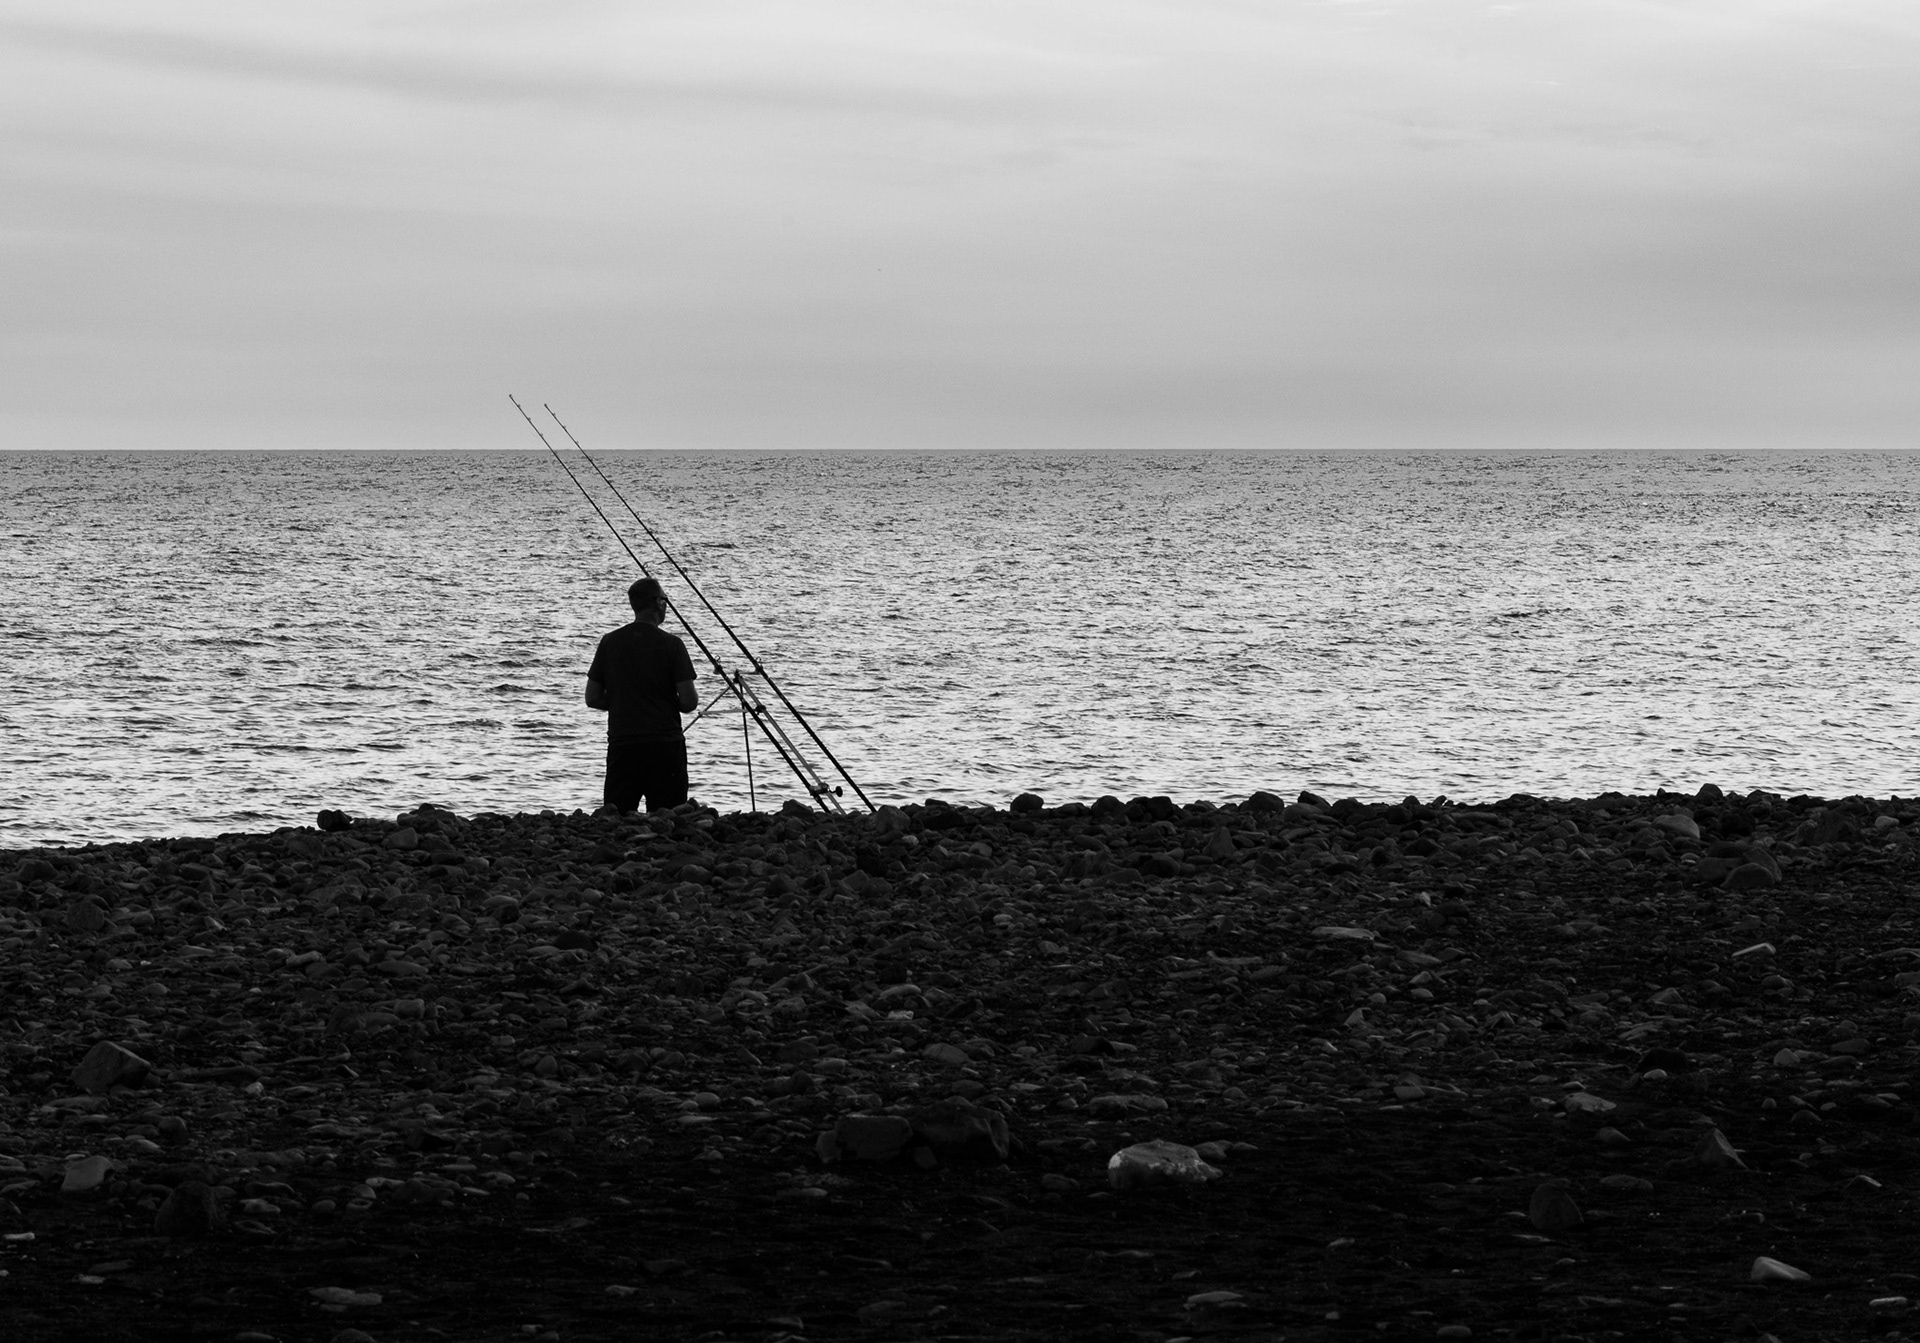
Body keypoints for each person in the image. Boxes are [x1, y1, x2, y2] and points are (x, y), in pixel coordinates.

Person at [585, 577, 698, 812]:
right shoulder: (673, 644)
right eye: (665, 599)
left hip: (623, 745)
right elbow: (689, 702)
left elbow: (592, 697)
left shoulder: (609, 642)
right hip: (665, 746)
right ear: (658, 603)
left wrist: (624, 701)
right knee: (669, 818)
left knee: (618, 818)